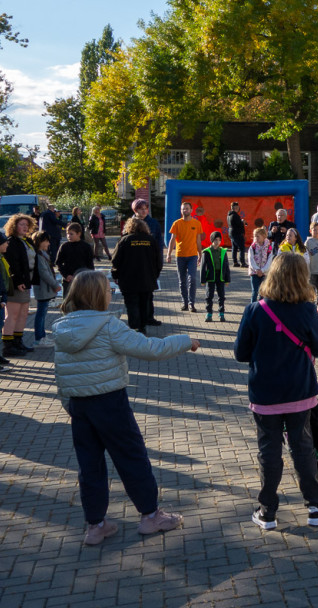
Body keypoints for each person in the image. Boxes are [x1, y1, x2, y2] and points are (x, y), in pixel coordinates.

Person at [54, 270, 197, 545]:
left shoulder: (62, 328)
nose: (111, 294)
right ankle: (151, 515)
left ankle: (95, 525)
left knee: (89, 465)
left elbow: (61, 372)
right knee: (132, 457)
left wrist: (69, 404)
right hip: (110, 403)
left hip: (79, 406)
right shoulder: (108, 325)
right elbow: (150, 348)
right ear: (98, 295)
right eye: (108, 290)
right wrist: (184, 340)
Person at [234, 252, 318, 530]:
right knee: (303, 449)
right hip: (299, 391)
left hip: (265, 393)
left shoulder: (255, 310)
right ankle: (316, 507)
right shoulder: (307, 310)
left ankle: (267, 511)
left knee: (268, 451)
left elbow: (240, 353)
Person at [111, 218, 161, 334]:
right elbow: (158, 261)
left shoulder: (124, 240)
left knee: (131, 304)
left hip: (128, 280)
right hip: (147, 279)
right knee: (144, 304)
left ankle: (134, 327)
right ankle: (142, 327)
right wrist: (155, 275)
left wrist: (115, 275)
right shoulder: (151, 240)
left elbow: (115, 261)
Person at [3, 214, 39, 356]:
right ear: (14, 226)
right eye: (21, 224)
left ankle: (18, 342)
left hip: (27, 280)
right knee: (13, 314)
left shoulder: (27, 241)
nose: (25, 227)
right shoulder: (11, 242)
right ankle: (8, 345)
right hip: (17, 282)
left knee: (23, 313)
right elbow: (12, 263)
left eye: (26, 224)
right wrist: (18, 281)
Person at [132, 199, 165, 328]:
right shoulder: (131, 223)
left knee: (149, 293)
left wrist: (158, 264)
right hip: (135, 263)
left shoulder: (153, 223)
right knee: (136, 294)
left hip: (150, 263)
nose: (144, 210)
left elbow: (159, 243)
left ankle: (149, 317)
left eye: (146, 208)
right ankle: (138, 321)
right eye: (141, 208)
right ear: (135, 210)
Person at [166, 201, 203, 313]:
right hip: (180, 255)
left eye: (187, 208)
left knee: (192, 279)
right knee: (182, 281)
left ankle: (192, 304)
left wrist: (200, 254)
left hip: (192, 256)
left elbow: (198, 240)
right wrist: (168, 254)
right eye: (183, 209)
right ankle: (184, 303)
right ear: (181, 210)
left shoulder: (196, 223)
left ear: (191, 210)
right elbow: (172, 239)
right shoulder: (177, 223)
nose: (185, 210)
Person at [32, 230, 62, 349]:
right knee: (41, 313)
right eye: (46, 241)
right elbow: (44, 273)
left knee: (43, 312)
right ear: (40, 242)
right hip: (43, 288)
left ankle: (42, 336)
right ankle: (39, 338)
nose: (48, 243)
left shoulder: (42, 254)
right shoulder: (39, 255)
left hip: (45, 288)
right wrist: (55, 285)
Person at [55, 223, 95, 302]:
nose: (69, 236)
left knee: (81, 302)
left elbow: (90, 265)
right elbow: (58, 263)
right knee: (67, 302)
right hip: (68, 280)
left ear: (79, 234)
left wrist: (90, 279)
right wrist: (66, 275)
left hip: (82, 279)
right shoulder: (64, 246)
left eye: (71, 234)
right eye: (67, 234)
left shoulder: (86, 247)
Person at [201, 231, 231, 322]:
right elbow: (203, 266)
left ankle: (221, 313)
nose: (217, 242)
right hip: (211, 276)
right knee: (209, 295)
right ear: (212, 240)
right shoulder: (207, 252)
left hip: (220, 276)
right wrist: (203, 280)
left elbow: (226, 266)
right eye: (215, 240)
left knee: (221, 295)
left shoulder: (223, 251)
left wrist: (227, 279)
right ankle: (209, 313)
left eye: (219, 240)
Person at [247, 227, 274, 304]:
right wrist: (257, 269)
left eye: (258, 236)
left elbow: (269, 261)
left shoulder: (269, 247)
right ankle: (253, 307)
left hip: (264, 273)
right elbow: (251, 260)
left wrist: (262, 271)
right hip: (254, 273)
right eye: (254, 236)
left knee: (263, 292)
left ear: (264, 236)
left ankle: (262, 308)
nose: (256, 238)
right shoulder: (252, 247)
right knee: (254, 292)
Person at [227, 202, 247, 268]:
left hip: (232, 233)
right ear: (235, 208)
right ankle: (242, 262)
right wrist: (242, 222)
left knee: (234, 248)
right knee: (241, 248)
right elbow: (238, 224)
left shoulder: (229, 215)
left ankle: (235, 262)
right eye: (237, 207)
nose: (238, 209)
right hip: (237, 233)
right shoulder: (235, 215)